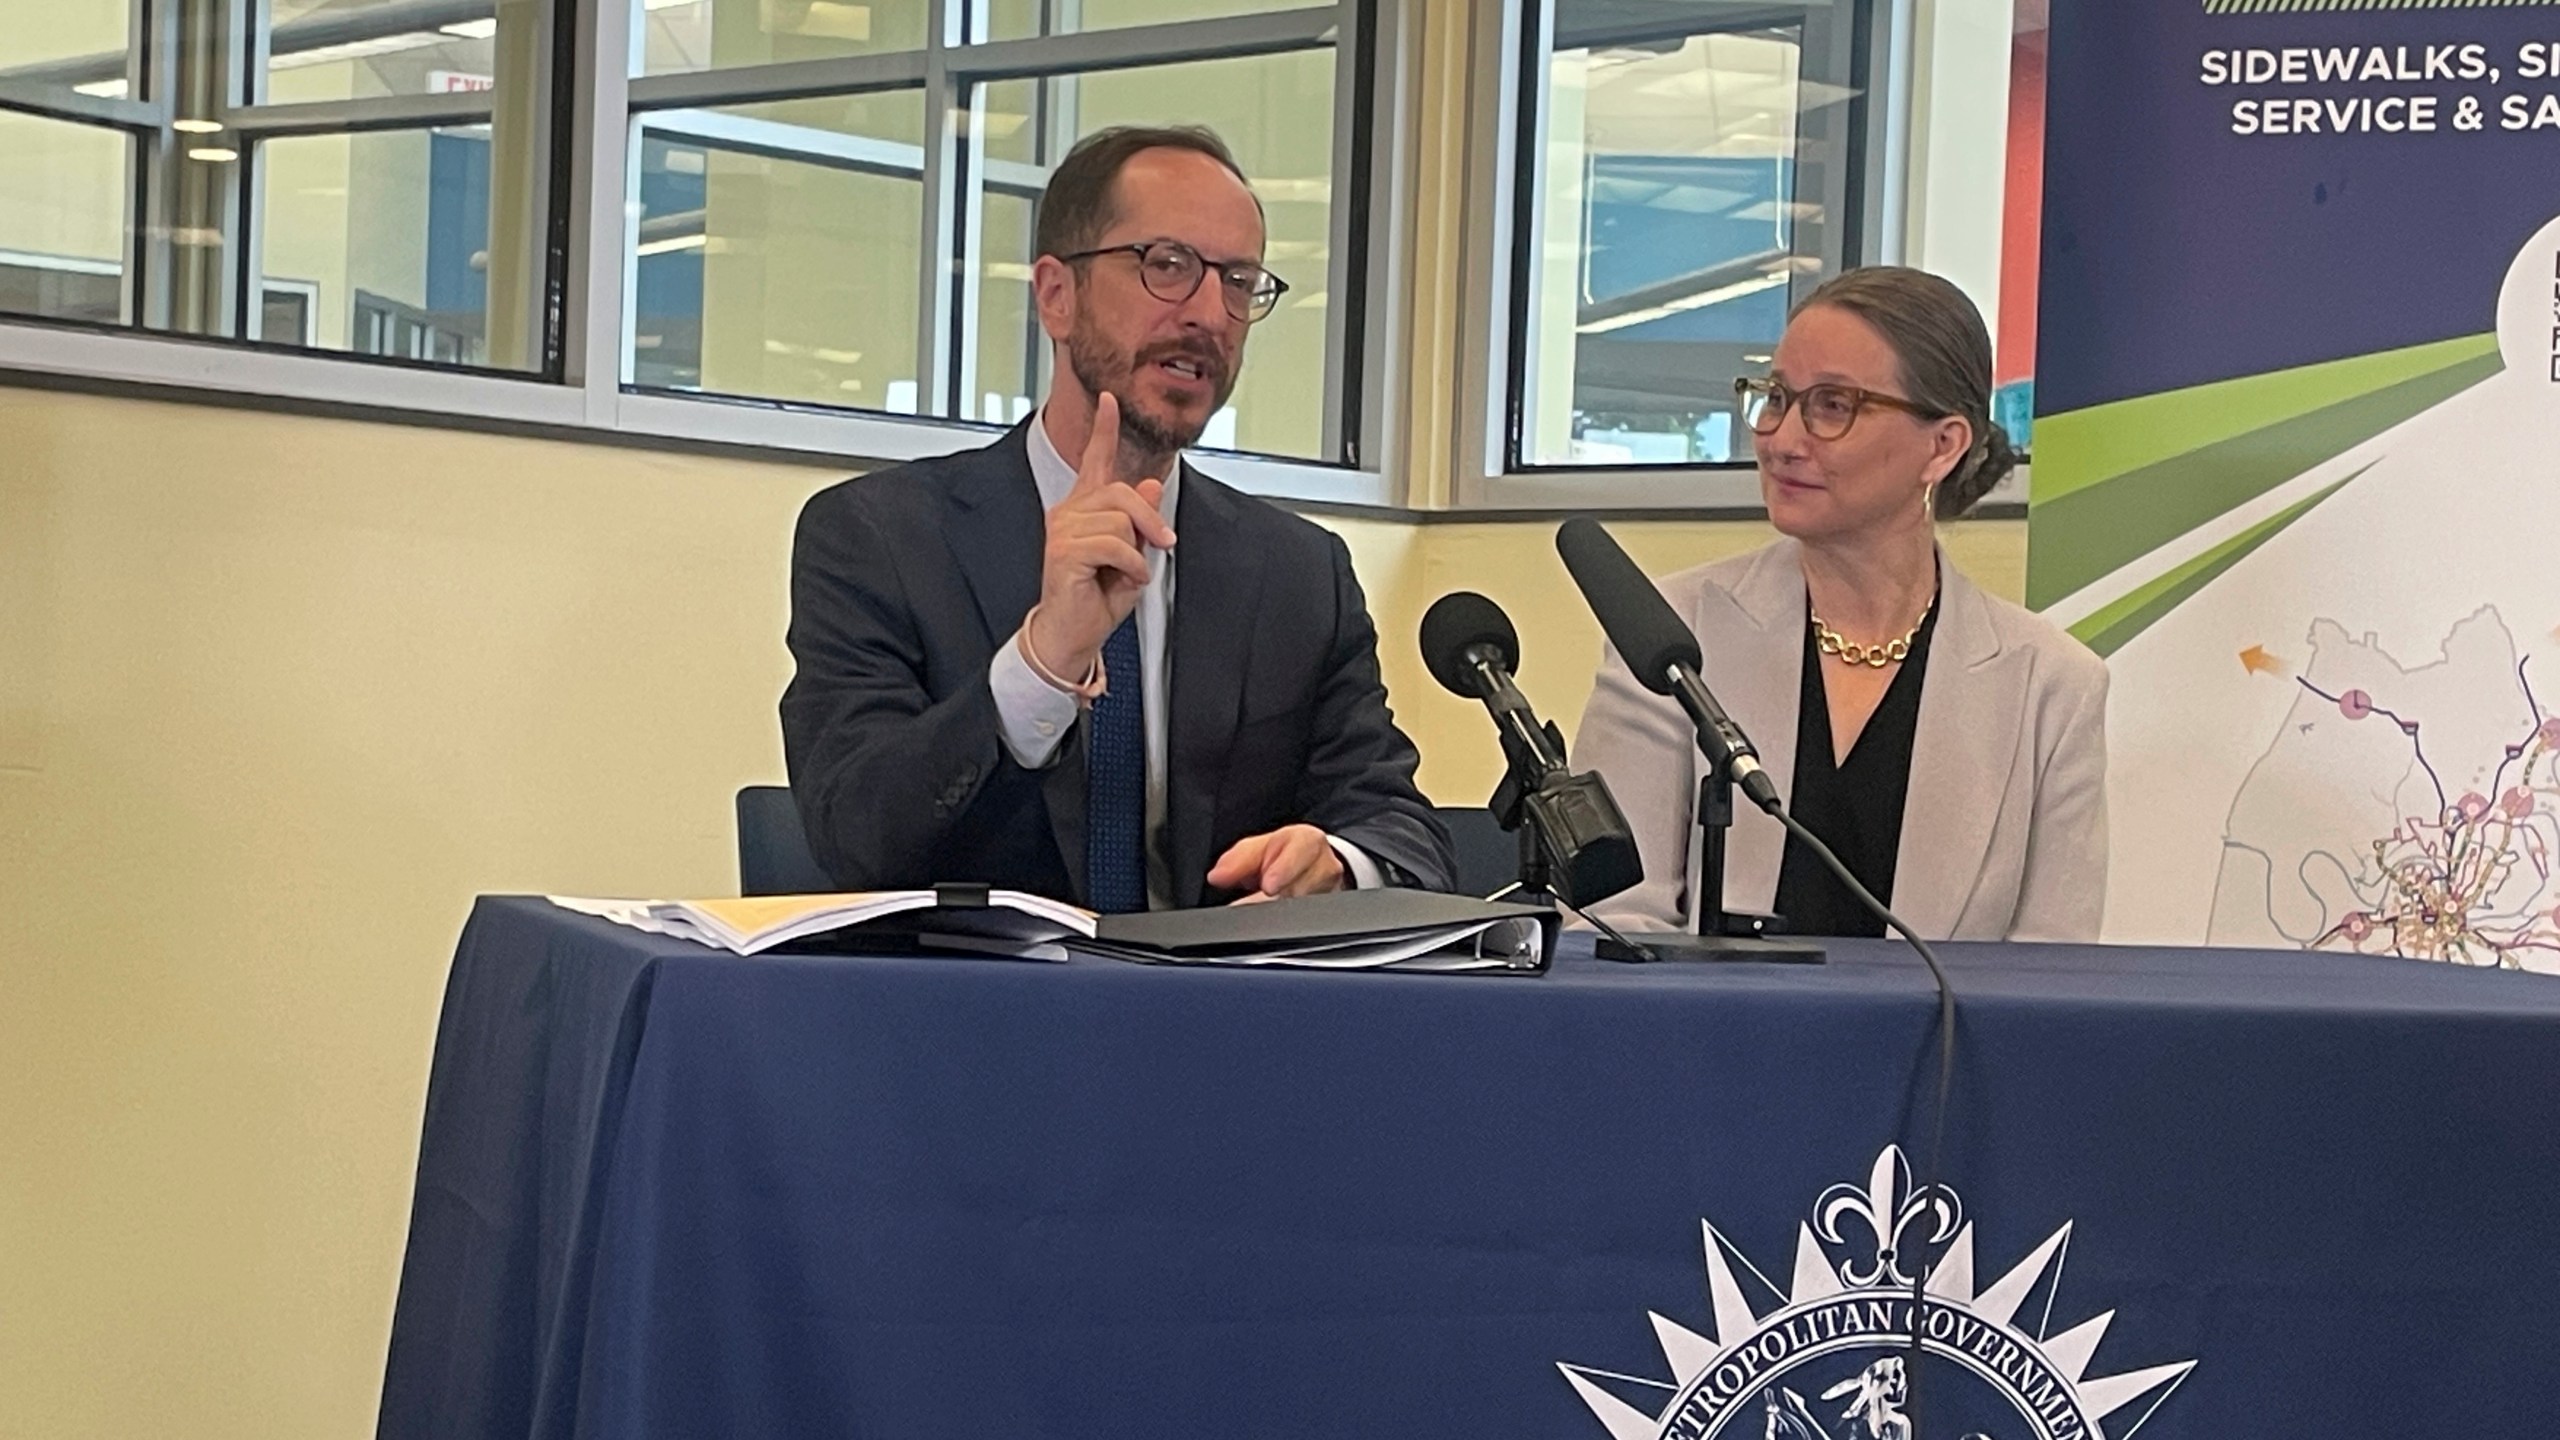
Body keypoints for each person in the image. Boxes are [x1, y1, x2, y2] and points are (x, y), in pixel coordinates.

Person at [781, 125, 1453, 910]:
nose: (1210, 313)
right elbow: (854, 834)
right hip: (977, 1017)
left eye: (1238, 281)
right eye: (1167, 266)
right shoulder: (877, 537)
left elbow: (1401, 826)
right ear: (1057, 296)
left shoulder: (1299, 573)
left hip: (1216, 1018)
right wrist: (1042, 661)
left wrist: (1336, 862)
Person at [1571, 267, 2107, 941]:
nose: (1782, 439)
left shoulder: (2051, 686)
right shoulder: (1667, 636)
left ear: (1943, 445)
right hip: (1703, 1043)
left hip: (1943, 1049)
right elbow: (1611, 922)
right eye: (1776, 398)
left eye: (1832, 406)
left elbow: (2052, 981)